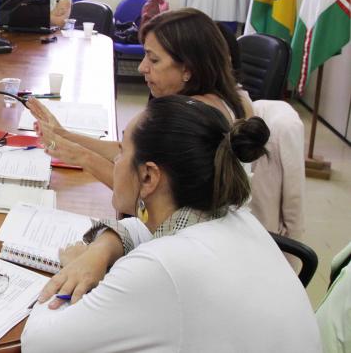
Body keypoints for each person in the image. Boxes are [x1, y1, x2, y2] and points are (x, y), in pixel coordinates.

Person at [21, 95, 320, 352]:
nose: (116, 161)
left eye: (122, 151)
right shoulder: (235, 218)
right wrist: (101, 248)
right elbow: (145, 229)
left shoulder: (163, 267)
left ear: (149, 177)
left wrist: (71, 268)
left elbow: (39, 343)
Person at [31, 7, 253, 187]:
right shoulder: (217, 100)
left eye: (154, 60)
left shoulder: (188, 121)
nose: (141, 68)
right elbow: (128, 151)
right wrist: (63, 135)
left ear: (188, 69)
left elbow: (136, 192)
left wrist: (81, 156)